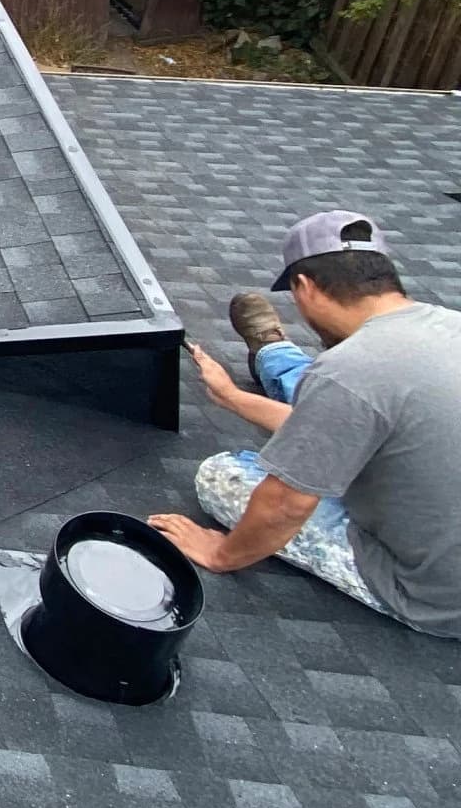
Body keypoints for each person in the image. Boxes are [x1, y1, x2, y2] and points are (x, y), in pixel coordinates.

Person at [151, 210, 461, 633]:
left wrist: (221, 553)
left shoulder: (349, 372)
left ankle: (275, 353)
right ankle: (272, 352)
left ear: (304, 286)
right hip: (420, 487)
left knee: (221, 473)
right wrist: (232, 397)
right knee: (334, 388)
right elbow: (332, 423)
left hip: (432, 595)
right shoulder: (447, 325)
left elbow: (286, 505)